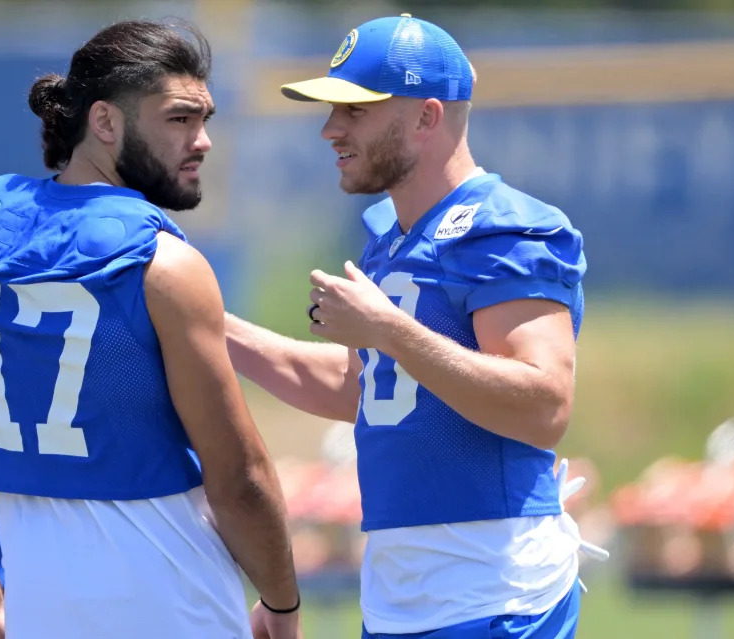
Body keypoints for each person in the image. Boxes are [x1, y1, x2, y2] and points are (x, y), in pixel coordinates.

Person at [0, 19, 302, 639]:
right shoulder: (163, 264)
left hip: (41, 606)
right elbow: (240, 479)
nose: (201, 142)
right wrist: (282, 607)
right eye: (179, 119)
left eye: (205, 120)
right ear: (105, 122)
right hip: (176, 601)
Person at [225, 13, 606, 639]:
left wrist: (390, 330)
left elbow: (545, 404)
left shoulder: (505, 229)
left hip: (495, 591)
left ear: (427, 117)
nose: (330, 130)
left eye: (357, 111)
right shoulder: (388, 234)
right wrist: (211, 326)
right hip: (399, 591)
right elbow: (366, 388)